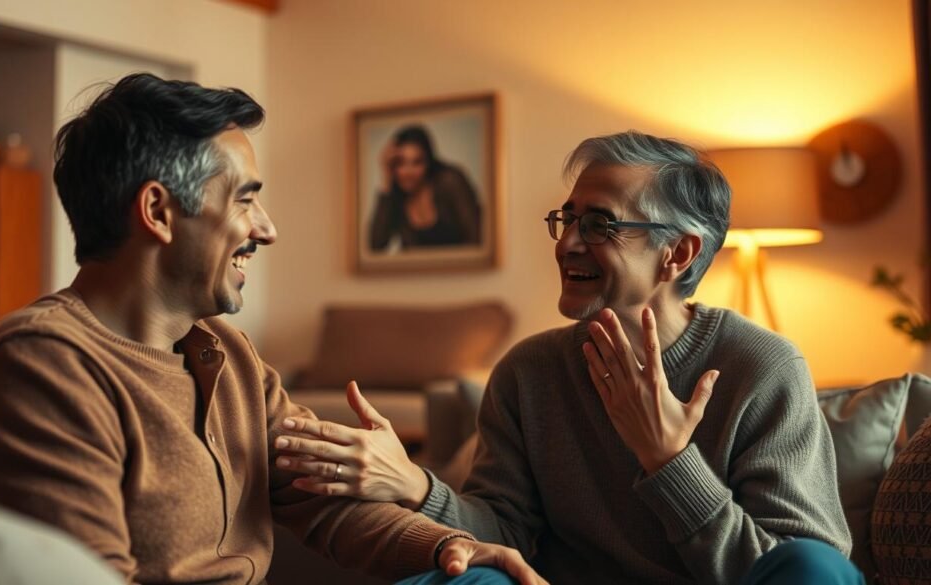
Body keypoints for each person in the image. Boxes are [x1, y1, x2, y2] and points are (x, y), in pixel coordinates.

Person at [0, 74, 544, 585]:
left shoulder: (226, 354)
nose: (268, 228)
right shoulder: (41, 369)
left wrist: (446, 548)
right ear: (157, 212)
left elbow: (324, 501)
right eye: (245, 200)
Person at [274, 131, 863, 584]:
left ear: (678, 254)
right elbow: (505, 534)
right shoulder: (529, 372)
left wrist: (670, 461)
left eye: (600, 224)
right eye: (569, 218)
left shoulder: (761, 368)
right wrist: (412, 483)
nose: (567, 242)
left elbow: (806, 568)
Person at [369, 125, 481, 251]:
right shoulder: (395, 196)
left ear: (428, 163)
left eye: (417, 162)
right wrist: (386, 179)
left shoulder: (450, 181)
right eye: (400, 163)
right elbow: (375, 246)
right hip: (417, 270)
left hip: (463, 269)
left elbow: (477, 237)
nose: (408, 172)